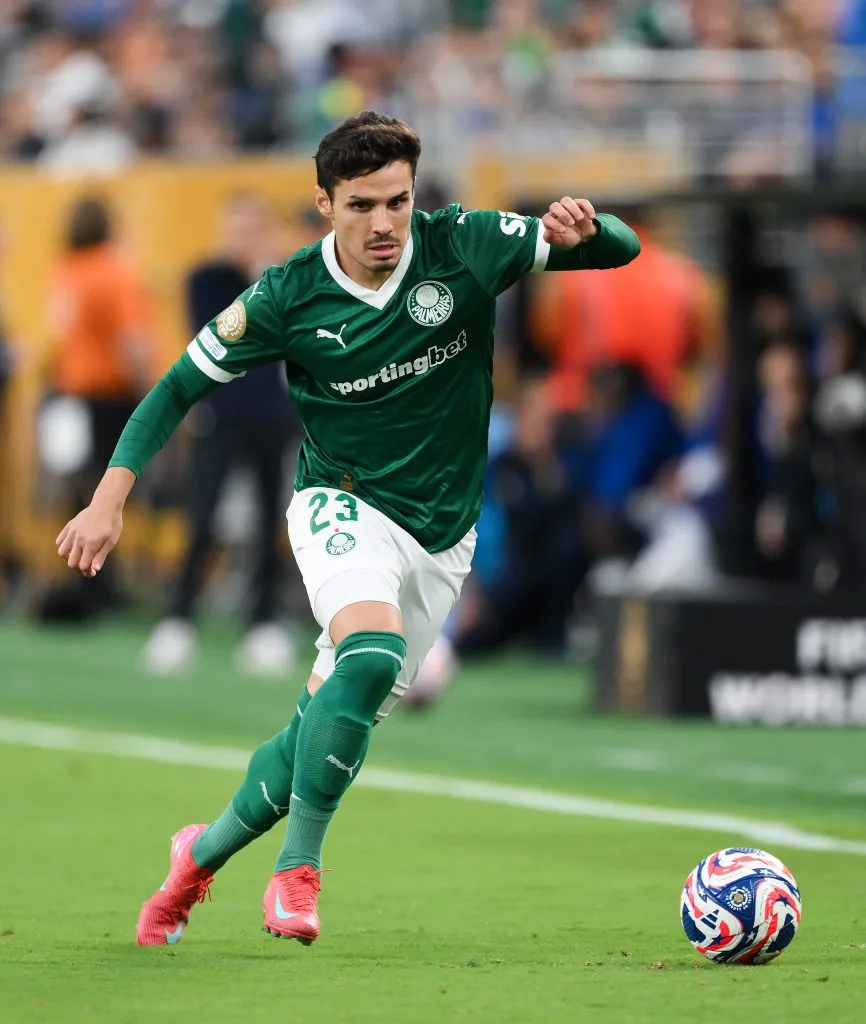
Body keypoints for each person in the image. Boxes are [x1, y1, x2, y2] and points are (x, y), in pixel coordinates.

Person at [55, 110, 640, 946]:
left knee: (326, 721)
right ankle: (299, 871)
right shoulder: (286, 295)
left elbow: (620, 249)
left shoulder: (465, 243)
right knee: (371, 654)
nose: (384, 224)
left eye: (397, 202)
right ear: (325, 205)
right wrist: (109, 497)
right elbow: (178, 387)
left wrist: (588, 226)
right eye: (362, 205)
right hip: (341, 500)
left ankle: (198, 855)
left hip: (443, 532)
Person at [141, 194, 301, 678]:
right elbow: (223, 340)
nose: (241, 237)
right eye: (235, 227)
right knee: (202, 517)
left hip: (272, 419)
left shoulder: (278, 280)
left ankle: (263, 622)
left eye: (250, 228)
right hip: (220, 417)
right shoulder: (206, 279)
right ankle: (178, 619)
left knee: (270, 520)